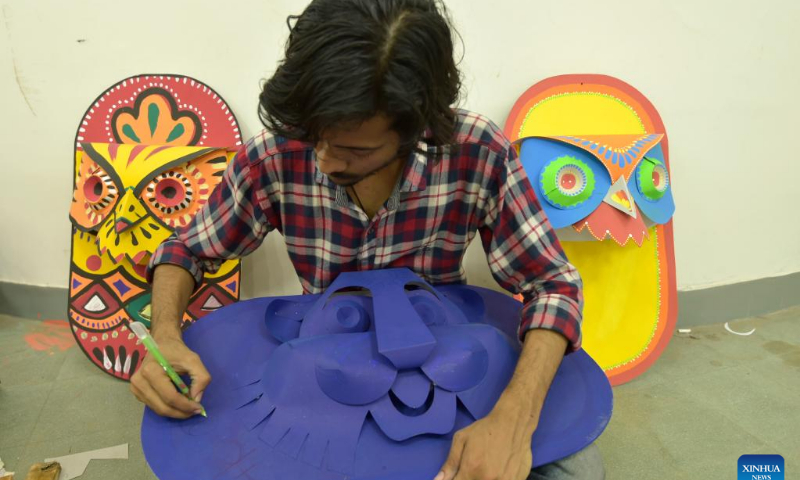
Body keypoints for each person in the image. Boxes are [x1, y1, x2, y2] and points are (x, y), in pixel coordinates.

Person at [130, 1, 604, 479]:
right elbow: (185, 251)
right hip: (328, 364)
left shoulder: (476, 151)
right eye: (314, 134)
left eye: (355, 149)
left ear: (416, 129)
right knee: (199, 455)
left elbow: (553, 286)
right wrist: (166, 337)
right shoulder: (275, 155)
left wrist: (512, 422)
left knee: (574, 469)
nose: (323, 161)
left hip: (443, 354)